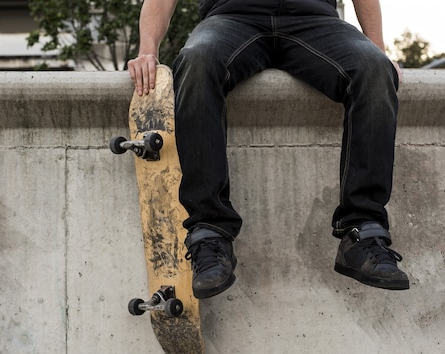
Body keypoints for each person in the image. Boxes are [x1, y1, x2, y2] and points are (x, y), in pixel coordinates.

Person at [128, 0, 409, 298]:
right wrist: (148, 50)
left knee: (375, 70)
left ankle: (361, 232)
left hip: (315, 20)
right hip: (232, 17)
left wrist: (377, 46)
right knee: (197, 61)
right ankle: (209, 234)